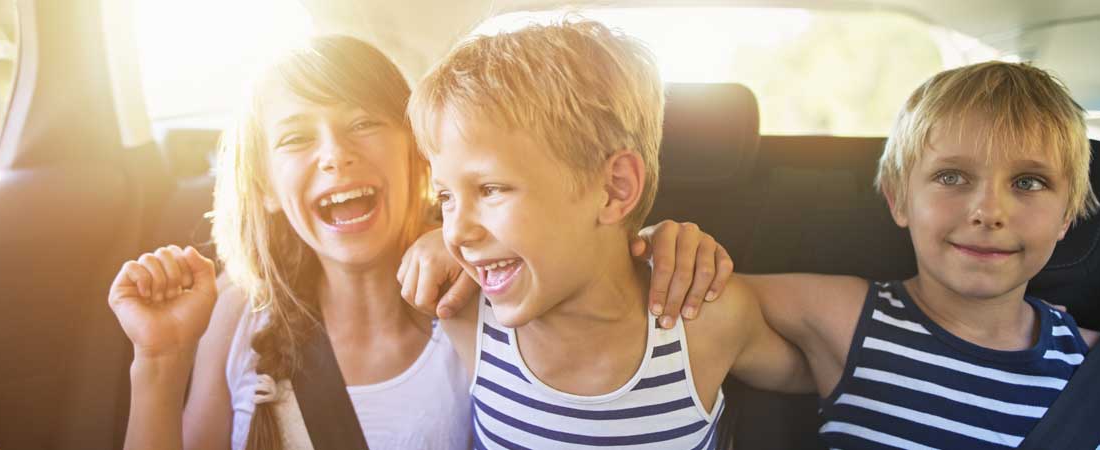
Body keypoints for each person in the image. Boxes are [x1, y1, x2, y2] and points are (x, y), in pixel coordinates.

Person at [106, 35, 735, 450]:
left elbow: (590, 283)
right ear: (267, 186)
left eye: (362, 124)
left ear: (422, 159)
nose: (335, 156)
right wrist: (159, 362)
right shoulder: (239, 314)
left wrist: (650, 246)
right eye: (297, 139)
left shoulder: (490, 309)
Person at [408, 20, 812, 449]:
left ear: (614, 189)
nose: (457, 230)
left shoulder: (706, 325)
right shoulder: (465, 313)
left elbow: (820, 372)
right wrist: (427, 239)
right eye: (446, 197)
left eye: (491, 189)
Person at [743, 61, 1100, 449]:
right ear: (898, 200)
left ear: (1066, 217)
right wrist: (689, 250)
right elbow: (703, 294)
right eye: (951, 176)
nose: (989, 212)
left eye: (1029, 182)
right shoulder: (849, 319)